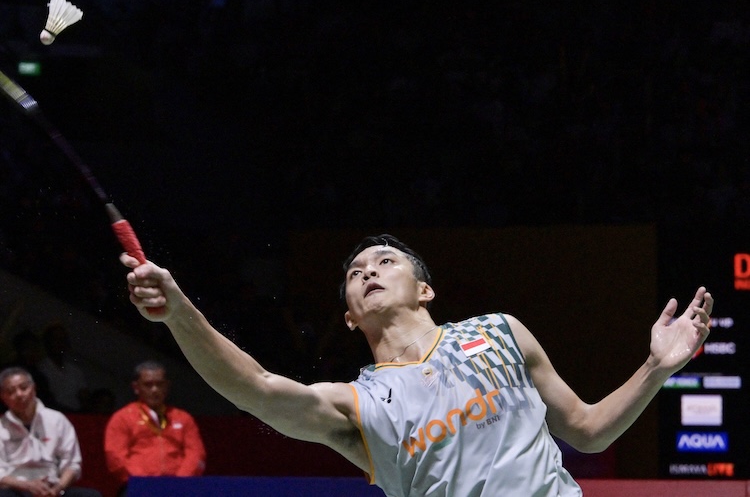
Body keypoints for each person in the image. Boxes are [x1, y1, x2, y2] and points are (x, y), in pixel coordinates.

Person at [119, 234, 713, 496]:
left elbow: (587, 429)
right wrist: (179, 313)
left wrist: (656, 367)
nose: (369, 272)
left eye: (385, 262)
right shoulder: (356, 405)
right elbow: (256, 387)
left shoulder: (500, 332)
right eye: (356, 273)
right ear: (349, 317)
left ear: (424, 290)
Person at [103, 361, 206, 496]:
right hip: (139, 487)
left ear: (167, 386)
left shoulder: (183, 418)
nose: (154, 390)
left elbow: (196, 453)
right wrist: (146, 482)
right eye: (148, 385)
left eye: (159, 384)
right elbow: (116, 457)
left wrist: (179, 482)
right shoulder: (122, 418)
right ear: (136, 387)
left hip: (179, 487)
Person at [0, 367, 102, 497]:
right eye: (11, 391)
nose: (19, 394)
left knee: (91, 495)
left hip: (52, 486)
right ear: (3, 397)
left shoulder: (56, 419)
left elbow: (72, 464)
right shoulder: (1, 426)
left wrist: (58, 488)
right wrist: (27, 485)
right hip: (16, 489)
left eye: (24, 388)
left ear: (34, 389)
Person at [37, 323, 90, 413]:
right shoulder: (40, 369)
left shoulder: (75, 371)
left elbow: (84, 397)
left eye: (62, 340)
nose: (59, 344)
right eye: (56, 339)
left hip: (73, 416)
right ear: (48, 342)